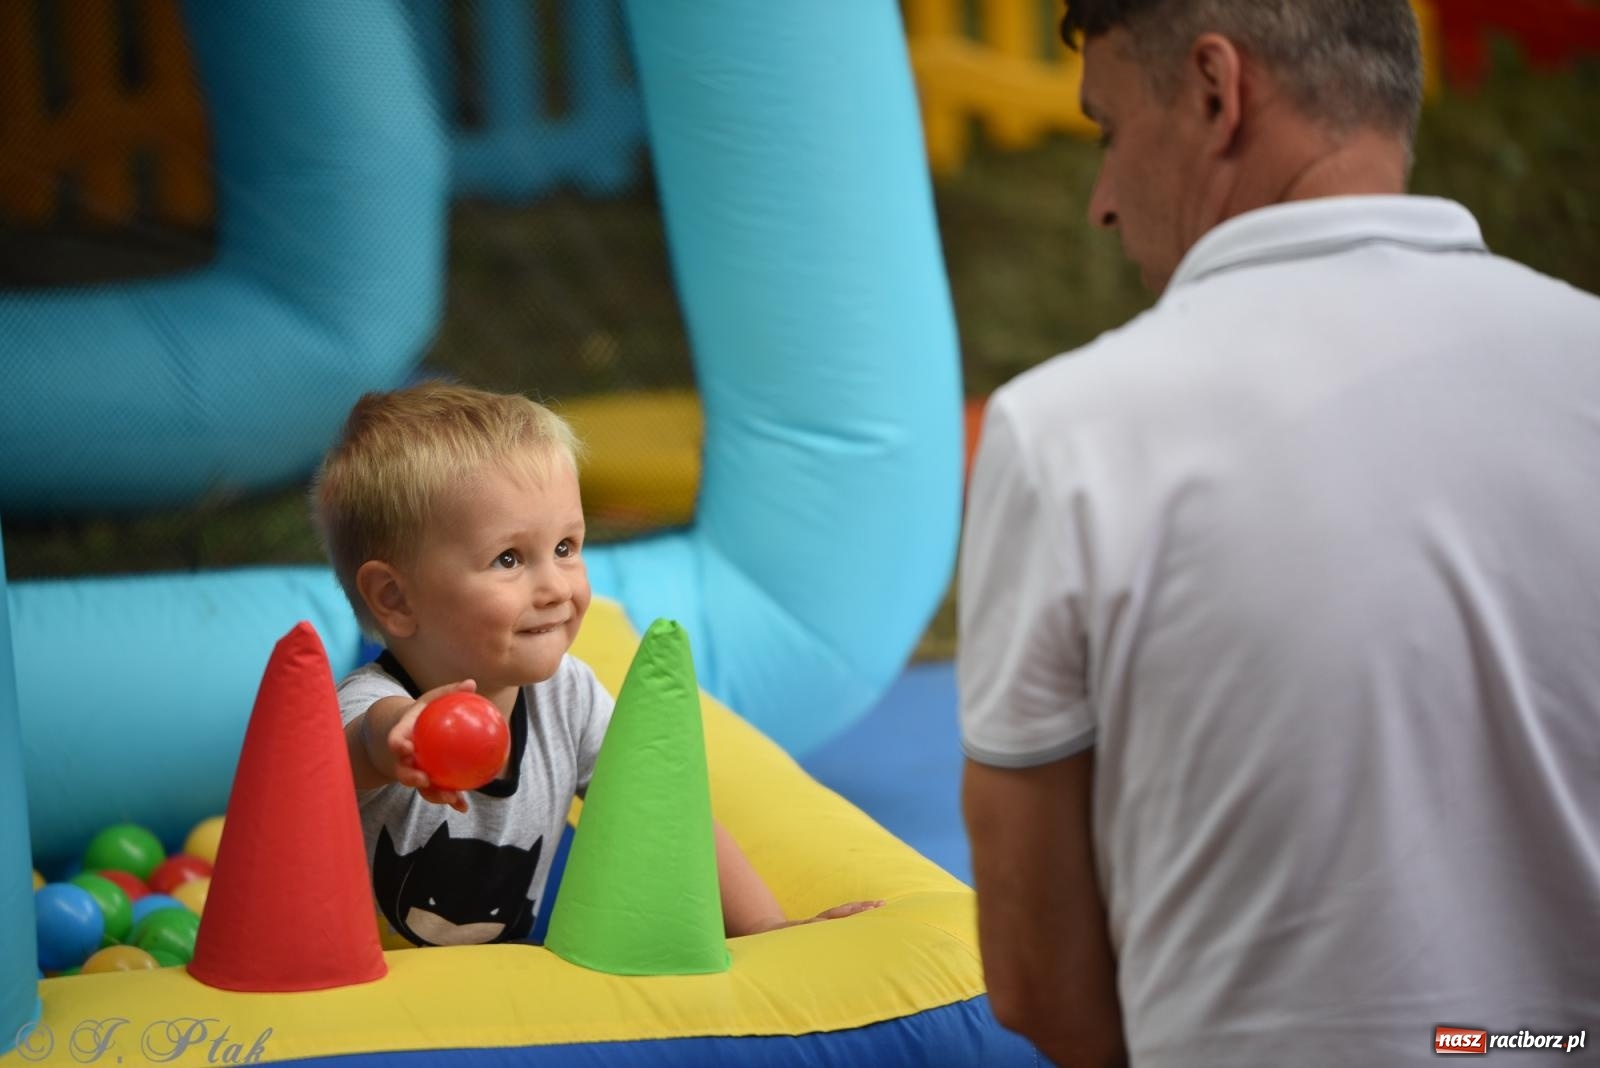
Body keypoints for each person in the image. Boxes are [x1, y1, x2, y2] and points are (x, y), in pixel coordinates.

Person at [957, 2, 1600, 1065]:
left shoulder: (1067, 435)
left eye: (1107, 133)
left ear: (1216, 91)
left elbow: (1035, 978)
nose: (1101, 204)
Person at [314, 381, 879, 947]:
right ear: (395, 598)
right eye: (508, 558)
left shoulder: (570, 698)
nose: (556, 586)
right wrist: (399, 741)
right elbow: (358, 746)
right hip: (377, 1002)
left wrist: (764, 929)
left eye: (566, 547)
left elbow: (663, 808)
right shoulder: (370, 702)